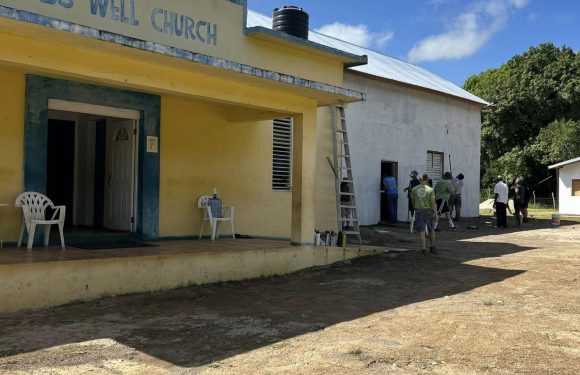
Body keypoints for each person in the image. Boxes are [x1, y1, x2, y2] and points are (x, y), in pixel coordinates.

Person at [411, 173, 439, 255]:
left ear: (420, 180)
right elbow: (433, 203)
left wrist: (415, 208)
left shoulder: (414, 189)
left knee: (422, 231)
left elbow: (413, 202)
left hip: (419, 211)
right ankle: (432, 247)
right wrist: (436, 214)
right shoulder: (430, 190)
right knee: (431, 229)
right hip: (428, 211)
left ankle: (423, 249)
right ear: (427, 180)